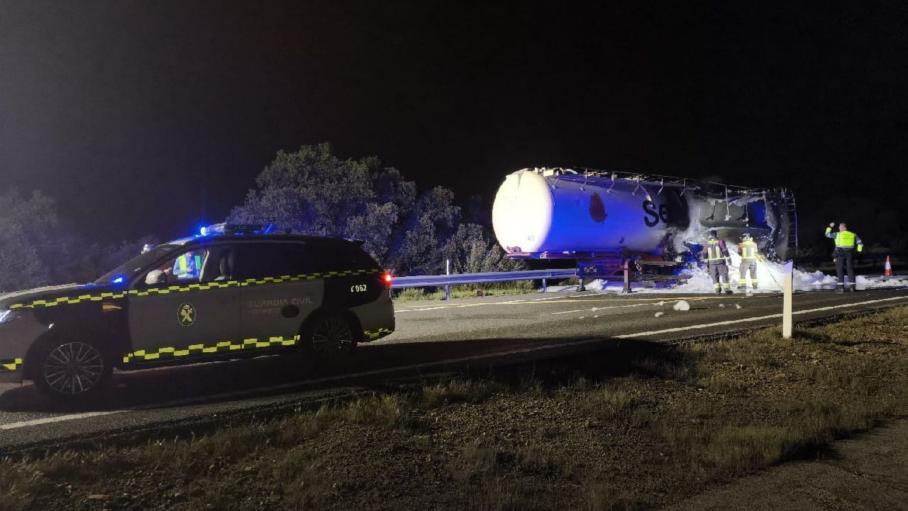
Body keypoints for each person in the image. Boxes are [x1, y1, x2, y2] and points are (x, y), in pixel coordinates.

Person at [825, 222, 864, 293]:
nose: (839, 228)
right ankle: (852, 287)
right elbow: (860, 243)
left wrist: (830, 227)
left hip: (840, 252)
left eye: (840, 227)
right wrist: (858, 252)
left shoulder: (837, 234)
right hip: (850, 253)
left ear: (843, 228)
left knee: (840, 269)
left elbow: (827, 234)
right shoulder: (853, 234)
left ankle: (841, 288)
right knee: (850, 269)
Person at [704, 230, 732, 294]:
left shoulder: (706, 243)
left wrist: (706, 263)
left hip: (711, 263)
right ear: (716, 234)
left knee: (714, 276)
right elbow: (724, 250)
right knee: (724, 275)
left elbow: (704, 253)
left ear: (710, 235)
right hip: (720, 262)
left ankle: (717, 290)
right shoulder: (720, 241)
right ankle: (727, 289)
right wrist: (729, 259)